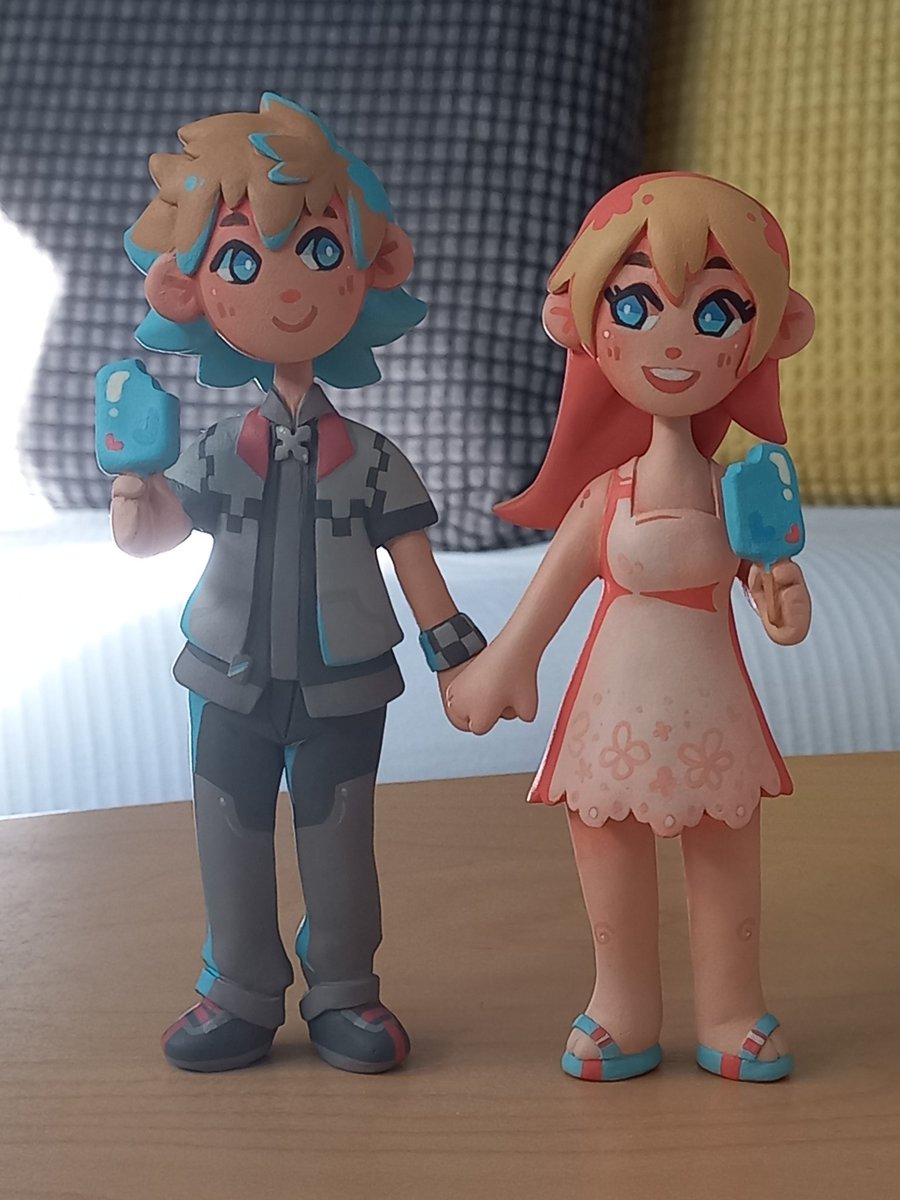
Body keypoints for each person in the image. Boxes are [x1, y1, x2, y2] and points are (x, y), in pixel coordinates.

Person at [110, 93, 485, 1074]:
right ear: (187, 288)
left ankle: (346, 989)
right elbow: (159, 535)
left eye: (320, 251)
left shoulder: (372, 459)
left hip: (342, 688)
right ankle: (236, 991)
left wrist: (458, 653)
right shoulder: (210, 448)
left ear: (375, 266)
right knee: (228, 838)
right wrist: (135, 499)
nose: (285, 285)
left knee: (341, 843)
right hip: (226, 680)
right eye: (242, 260)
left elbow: (415, 562)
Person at [445, 173, 814, 1083]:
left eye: (718, 312)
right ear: (579, 322)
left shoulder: (738, 495)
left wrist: (782, 599)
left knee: (724, 856)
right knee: (609, 853)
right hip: (611, 717)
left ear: (773, 333)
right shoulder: (602, 501)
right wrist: (501, 667)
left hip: (712, 713)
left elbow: (769, 592)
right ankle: (621, 1007)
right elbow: (549, 596)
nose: (674, 341)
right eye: (637, 305)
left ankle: (731, 1010)